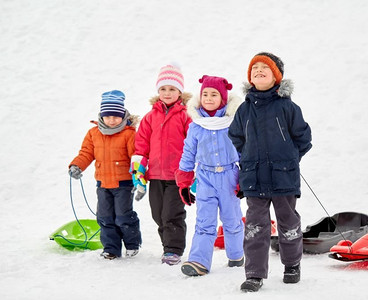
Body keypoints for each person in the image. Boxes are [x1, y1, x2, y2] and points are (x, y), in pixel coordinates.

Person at [228, 52, 312, 292]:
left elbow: (303, 138)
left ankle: (292, 264)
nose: (259, 71)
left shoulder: (288, 107)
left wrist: (290, 158)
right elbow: (236, 137)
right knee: (255, 226)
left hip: (283, 176)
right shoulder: (244, 110)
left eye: (265, 68)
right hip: (254, 177)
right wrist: (248, 157)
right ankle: (254, 273)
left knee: (288, 221)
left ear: (276, 76)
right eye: (255, 68)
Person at [175, 75, 244, 276]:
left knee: (232, 221)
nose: (208, 98)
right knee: (204, 222)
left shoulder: (233, 123)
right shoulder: (196, 126)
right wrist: (184, 182)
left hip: (230, 176)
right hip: (205, 178)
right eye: (205, 94)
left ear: (223, 99)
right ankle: (198, 261)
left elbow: (244, 152)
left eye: (214, 94)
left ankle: (236, 255)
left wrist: (245, 179)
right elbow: (188, 153)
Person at [68, 90, 142, 260]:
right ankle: (111, 248)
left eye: (116, 116)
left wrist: (140, 175)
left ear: (123, 115)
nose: (111, 120)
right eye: (108, 116)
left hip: (123, 183)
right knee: (104, 217)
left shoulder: (129, 133)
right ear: (102, 116)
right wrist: (77, 165)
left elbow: (136, 156)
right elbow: (86, 152)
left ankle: (132, 244)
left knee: (123, 216)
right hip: (102, 183)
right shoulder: (93, 133)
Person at [131, 64, 192, 265]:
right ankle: (168, 245)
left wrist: (192, 173)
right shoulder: (150, 117)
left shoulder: (186, 116)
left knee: (171, 214)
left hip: (178, 176)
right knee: (158, 214)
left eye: (172, 89)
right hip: (155, 175)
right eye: (163, 89)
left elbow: (193, 144)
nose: (167, 93)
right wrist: (138, 176)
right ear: (158, 91)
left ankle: (173, 250)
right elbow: (141, 147)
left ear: (179, 91)